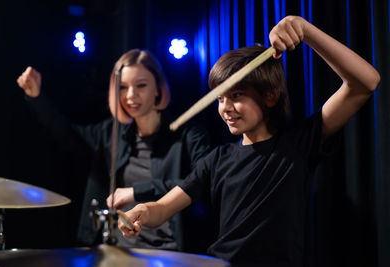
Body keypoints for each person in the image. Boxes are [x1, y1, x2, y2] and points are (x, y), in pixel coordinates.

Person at [118, 16, 381, 266]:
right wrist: (142, 211)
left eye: (237, 95)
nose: (226, 108)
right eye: (220, 98)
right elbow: (163, 208)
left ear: (270, 96)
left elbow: (365, 82)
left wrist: (305, 30)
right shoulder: (217, 160)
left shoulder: (299, 143)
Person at [16, 49, 213, 251]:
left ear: (158, 88)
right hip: (118, 249)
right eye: (123, 87)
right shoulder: (110, 132)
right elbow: (68, 136)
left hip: (173, 251)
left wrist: (136, 192)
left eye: (141, 85)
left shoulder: (190, 135)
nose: (130, 95)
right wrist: (36, 97)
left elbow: (201, 183)